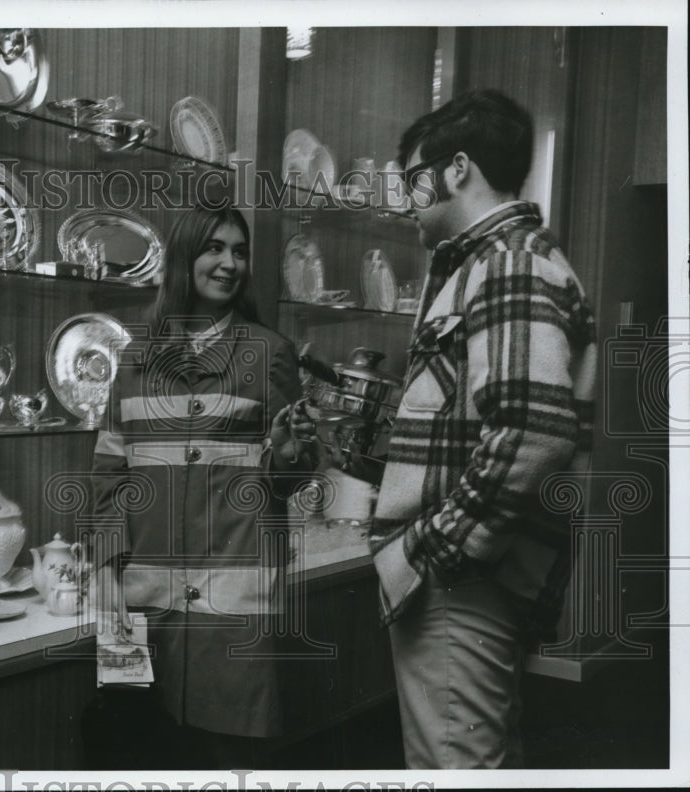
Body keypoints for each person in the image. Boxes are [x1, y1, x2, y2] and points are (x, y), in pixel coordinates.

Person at [369, 89, 597, 769]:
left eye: (415, 179)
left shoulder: (506, 261)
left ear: (458, 170)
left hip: (463, 586)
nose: (408, 198)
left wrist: (441, 551)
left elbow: (534, 433)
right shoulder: (503, 259)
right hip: (478, 582)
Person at [88, 206, 317, 769]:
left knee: (228, 759)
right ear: (184, 257)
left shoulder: (270, 353)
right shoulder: (136, 360)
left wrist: (291, 456)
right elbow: (108, 481)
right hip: (141, 602)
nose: (229, 263)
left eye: (239, 251)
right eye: (214, 248)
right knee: (142, 757)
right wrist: (107, 579)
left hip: (232, 607)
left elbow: (285, 482)